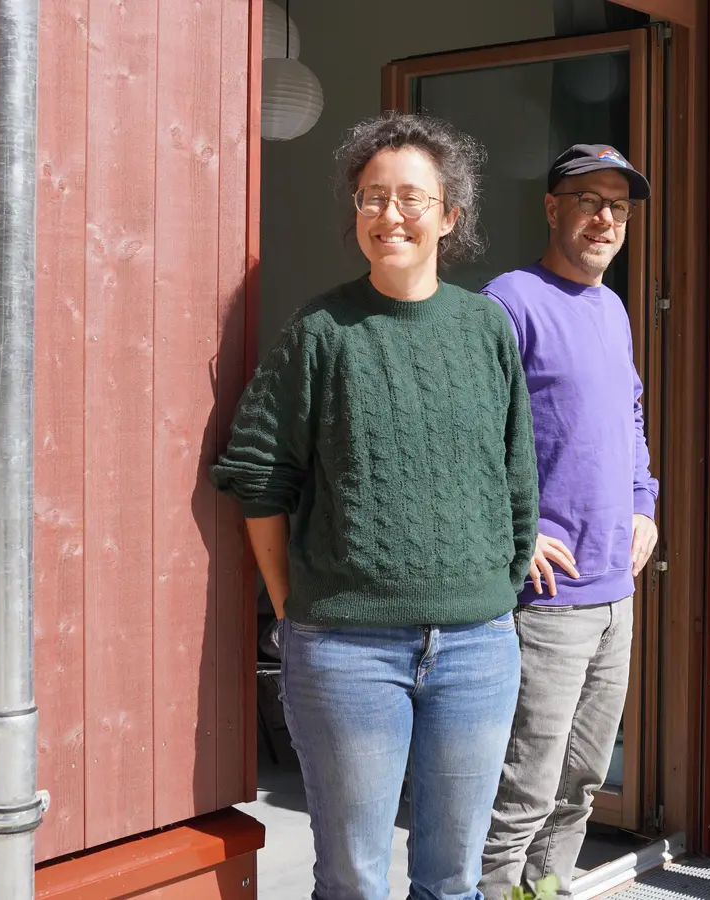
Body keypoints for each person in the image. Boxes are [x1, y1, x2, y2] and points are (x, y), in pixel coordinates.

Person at [211, 111, 539, 900]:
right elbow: (258, 472)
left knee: (453, 878)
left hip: (477, 648)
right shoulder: (322, 331)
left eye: (410, 198)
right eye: (371, 197)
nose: (389, 214)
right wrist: (293, 607)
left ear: (450, 215)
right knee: (355, 878)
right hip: (346, 651)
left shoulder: (486, 326)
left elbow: (515, 470)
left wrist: (502, 585)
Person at [480, 144, 659, 900]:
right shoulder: (509, 300)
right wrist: (514, 539)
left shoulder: (612, 309)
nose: (606, 219)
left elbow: (630, 416)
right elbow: (471, 439)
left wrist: (644, 503)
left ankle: (544, 891)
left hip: (615, 592)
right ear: (552, 208)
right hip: (547, 602)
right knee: (524, 785)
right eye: (589, 200)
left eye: (618, 206)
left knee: (583, 779)